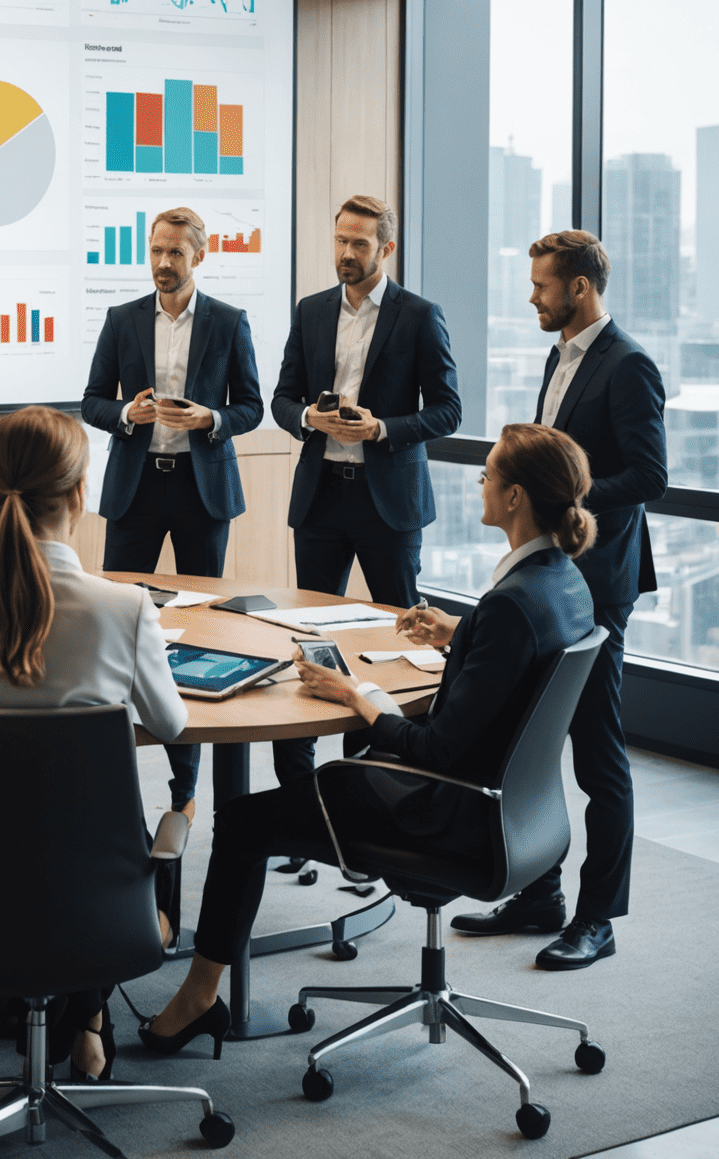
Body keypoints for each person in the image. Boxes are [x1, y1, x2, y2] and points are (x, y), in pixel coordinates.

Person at [140, 423, 596, 1055]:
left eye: (488, 473)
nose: (480, 481)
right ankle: (201, 993)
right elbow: (513, 652)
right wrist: (458, 633)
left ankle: (197, 999)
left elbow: (436, 750)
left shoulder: (509, 607)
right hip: (522, 816)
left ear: (516, 498)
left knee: (245, 823)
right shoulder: (561, 583)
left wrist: (359, 697)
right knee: (266, 811)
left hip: (444, 814)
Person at [0, 404, 188, 1081]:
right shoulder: (124, 609)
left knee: (26, 832)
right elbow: (173, 725)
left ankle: (61, 1014)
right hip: (96, 904)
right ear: (80, 495)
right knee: (106, 835)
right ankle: (86, 1015)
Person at [451, 231, 667, 969]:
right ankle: (540, 895)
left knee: (598, 756)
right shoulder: (560, 356)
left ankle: (598, 917)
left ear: (579, 287)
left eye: (543, 285)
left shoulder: (628, 364)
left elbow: (649, 475)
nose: (534, 297)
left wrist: (561, 502)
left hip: (597, 587)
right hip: (551, 578)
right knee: (531, 741)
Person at [269, 194, 461, 786]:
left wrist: (382, 428)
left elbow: (449, 411)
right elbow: (281, 399)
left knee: (397, 640)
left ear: (386, 248)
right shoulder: (310, 311)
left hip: (389, 502)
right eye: (340, 240)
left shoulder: (419, 315)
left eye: (359, 243)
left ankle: (374, 787)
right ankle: (299, 795)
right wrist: (308, 419)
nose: (346, 253)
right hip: (323, 495)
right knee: (309, 640)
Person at [81, 207, 262, 822]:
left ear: (199, 257)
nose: (163, 263)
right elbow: (91, 401)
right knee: (112, 627)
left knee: (202, 633)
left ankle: (185, 790)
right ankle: (107, 777)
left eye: (175, 253)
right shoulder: (122, 319)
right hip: (136, 489)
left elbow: (252, 407)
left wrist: (210, 418)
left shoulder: (230, 322)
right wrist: (128, 415)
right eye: (156, 251)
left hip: (200, 491)